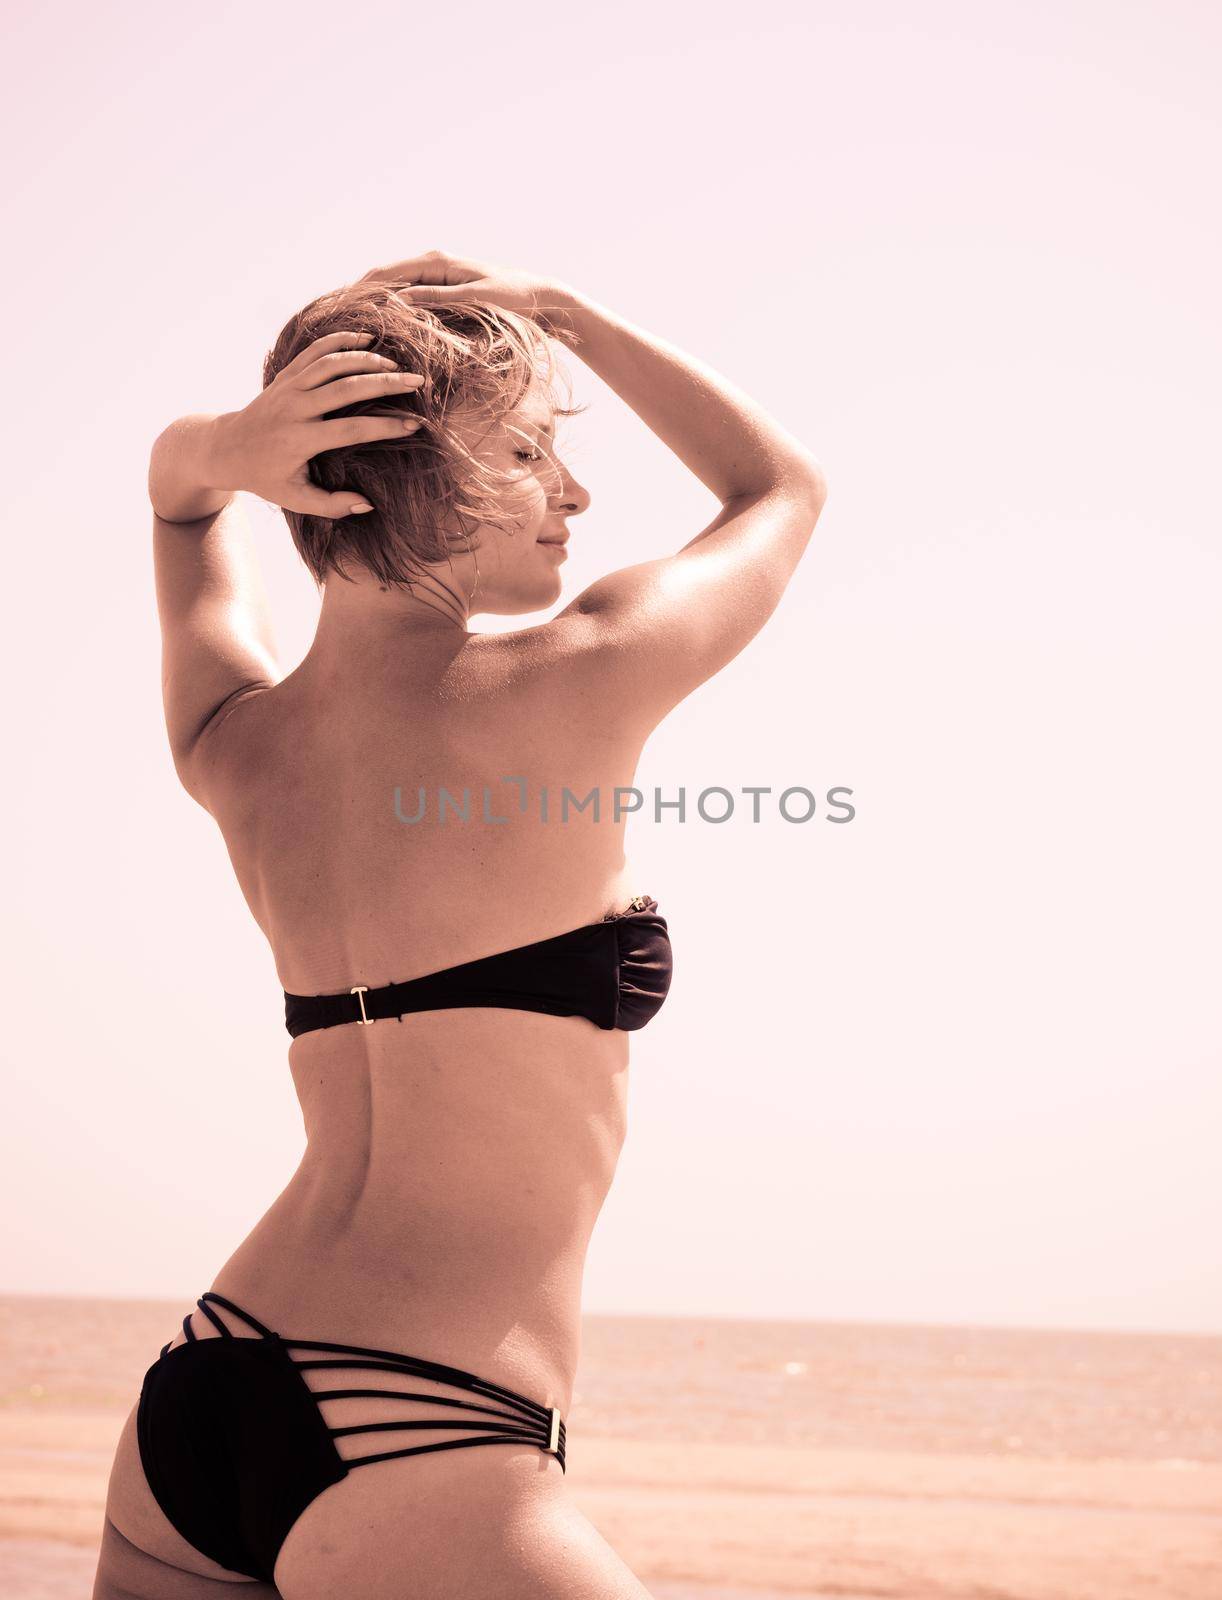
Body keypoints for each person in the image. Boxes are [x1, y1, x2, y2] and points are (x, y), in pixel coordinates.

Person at [91, 249, 828, 1600]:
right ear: (399, 473)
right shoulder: (579, 676)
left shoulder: (230, 742)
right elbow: (778, 488)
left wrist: (226, 450)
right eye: (530, 452)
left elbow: (179, 510)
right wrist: (570, 313)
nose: (576, 493)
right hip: (414, 1427)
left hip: (203, 1395)